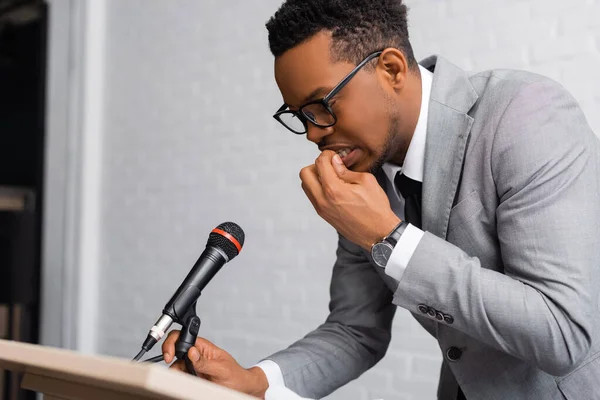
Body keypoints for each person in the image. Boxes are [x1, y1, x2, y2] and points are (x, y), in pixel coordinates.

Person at [163, 0, 600, 399]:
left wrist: (389, 237)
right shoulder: (364, 176)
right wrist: (253, 383)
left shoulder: (526, 116)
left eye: (322, 105)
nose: (314, 132)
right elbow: (356, 330)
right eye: (300, 116)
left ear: (391, 69)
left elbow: (564, 333)